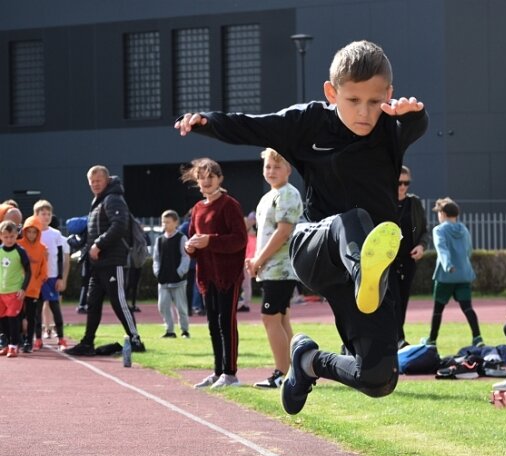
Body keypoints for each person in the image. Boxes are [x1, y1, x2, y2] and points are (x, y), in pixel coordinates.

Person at [175, 40, 427, 414]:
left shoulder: (391, 127)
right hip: (316, 249)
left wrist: (411, 114)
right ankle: (364, 271)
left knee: (378, 377)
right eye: (353, 100)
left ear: (387, 95)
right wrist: (207, 122)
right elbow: (254, 127)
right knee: (353, 221)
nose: (364, 113)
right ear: (331, 92)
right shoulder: (309, 123)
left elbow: (417, 123)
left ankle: (307, 360)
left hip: (366, 275)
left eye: (375, 102)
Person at [64, 166, 146, 357]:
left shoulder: (113, 199)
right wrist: (85, 245)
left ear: (107, 180)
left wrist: (98, 244)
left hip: (112, 261)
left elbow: (119, 226)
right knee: (93, 303)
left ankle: (135, 339)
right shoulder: (99, 201)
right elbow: (97, 229)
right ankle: (87, 342)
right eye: (91, 181)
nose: (94, 184)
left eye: (98, 180)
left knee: (119, 301)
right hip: (97, 263)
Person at [182, 158, 247, 390]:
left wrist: (210, 241)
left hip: (228, 275)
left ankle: (230, 374)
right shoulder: (198, 209)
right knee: (212, 324)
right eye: (202, 177)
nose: (206, 181)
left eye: (211, 176)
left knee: (226, 323)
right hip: (206, 275)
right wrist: (190, 248)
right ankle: (218, 371)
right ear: (197, 182)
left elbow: (239, 240)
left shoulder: (230, 205)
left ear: (220, 179)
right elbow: (192, 239)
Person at [246, 149, 303, 390]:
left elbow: (283, 232)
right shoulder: (267, 197)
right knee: (281, 319)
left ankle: (281, 373)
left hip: (281, 269)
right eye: (268, 167)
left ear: (289, 170)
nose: (271, 171)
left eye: (277, 167)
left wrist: (258, 259)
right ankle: (298, 372)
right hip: (269, 269)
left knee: (270, 318)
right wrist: (255, 260)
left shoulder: (288, 194)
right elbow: (264, 235)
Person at [422, 197, 482, 348]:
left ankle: (432, 339)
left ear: (442, 213)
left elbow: (442, 249)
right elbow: (468, 250)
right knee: (467, 308)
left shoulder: (439, 230)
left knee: (438, 310)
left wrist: (448, 265)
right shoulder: (464, 229)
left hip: (445, 276)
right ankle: (477, 337)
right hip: (464, 274)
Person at [394, 165, 428, 348]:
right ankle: (395, 338)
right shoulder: (384, 201)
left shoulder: (414, 203)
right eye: (399, 182)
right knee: (392, 300)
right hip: (388, 259)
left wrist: (422, 246)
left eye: (406, 183)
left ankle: (398, 338)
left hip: (408, 259)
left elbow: (424, 230)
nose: (402, 187)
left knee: (403, 298)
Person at [34, 200, 70, 350]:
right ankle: (38, 339)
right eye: (43, 214)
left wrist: (61, 277)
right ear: (36, 215)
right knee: (37, 309)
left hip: (53, 277)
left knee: (55, 308)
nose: (46, 216)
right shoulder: (33, 233)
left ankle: (61, 338)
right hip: (37, 278)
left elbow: (61, 257)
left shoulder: (56, 234)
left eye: (49, 214)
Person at [152, 210, 190, 339]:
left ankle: (184, 330)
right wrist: (157, 272)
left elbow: (186, 257)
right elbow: (156, 258)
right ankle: (169, 330)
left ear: (175, 223)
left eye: (168, 222)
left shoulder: (181, 238)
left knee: (181, 307)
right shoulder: (159, 240)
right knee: (162, 306)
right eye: (163, 222)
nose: (165, 224)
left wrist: (179, 272)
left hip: (178, 280)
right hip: (163, 280)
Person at [0, 220, 31, 358]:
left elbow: (29, 271)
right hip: (1, 292)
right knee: (3, 319)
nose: (9, 239)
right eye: (6, 237)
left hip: (14, 292)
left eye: (12, 236)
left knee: (13, 319)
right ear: (1, 236)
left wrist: (23, 288)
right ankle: (6, 345)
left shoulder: (20, 251)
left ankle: (14, 346)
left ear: (16, 235)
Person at [17, 216, 48, 353]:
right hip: (18, 288)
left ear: (38, 233)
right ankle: (17, 340)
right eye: (28, 231)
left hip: (33, 289)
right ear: (24, 231)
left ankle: (29, 342)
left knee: (31, 317)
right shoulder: (18, 245)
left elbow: (44, 269)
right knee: (16, 315)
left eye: (34, 232)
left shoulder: (42, 248)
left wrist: (38, 281)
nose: (31, 235)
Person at [237, 212, 257, 313]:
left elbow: (251, 251)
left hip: (245, 261)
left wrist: (247, 260)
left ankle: (245, 304)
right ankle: (244, 303)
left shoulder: (250, 237)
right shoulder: (248, 236)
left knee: (246, 284)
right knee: (244, 284)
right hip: (244, 261)